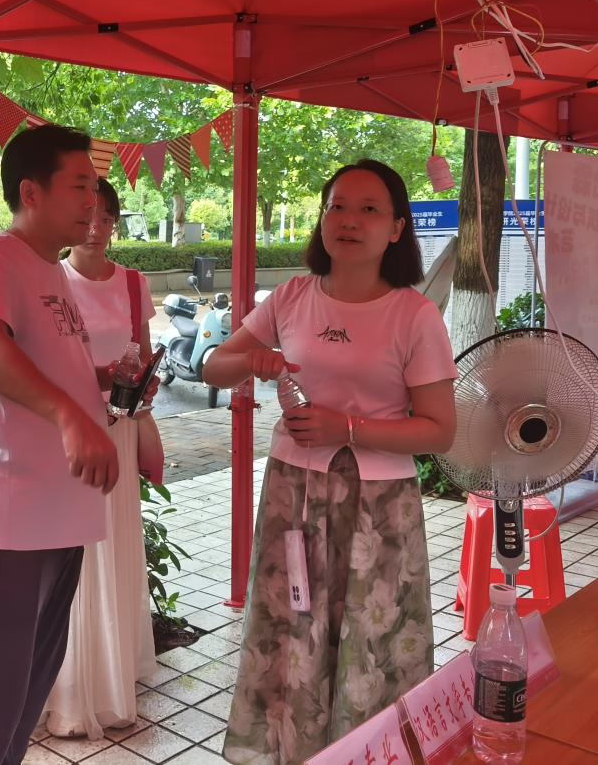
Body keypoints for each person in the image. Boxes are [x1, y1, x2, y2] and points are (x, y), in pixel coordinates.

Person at [205, 159, 457, 764]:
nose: (348, 220)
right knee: (290, 630)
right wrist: (251, 361)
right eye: (337, 206)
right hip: (293, 494)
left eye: (369, 209)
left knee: (374, 639)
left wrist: (344, 429)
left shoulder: (414, 315)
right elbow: (213, 366)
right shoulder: (291, 297)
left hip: (379, 509)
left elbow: (440, 431)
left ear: (396, 229)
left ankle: (369, 754)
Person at [0, 125, 120, 764]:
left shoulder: (51, 269)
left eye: (95, 188)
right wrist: (71, 416)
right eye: (79, 186)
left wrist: (103, 380)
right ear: (31, 192)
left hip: (63, 509)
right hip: (11, 513)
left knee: (31, 681)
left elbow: (46, 364)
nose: (92, 202)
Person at [43, 178, 159, 738]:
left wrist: (142, 387)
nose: (95, 227)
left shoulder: (134, 284)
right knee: (77, 552)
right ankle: (69, 687)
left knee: (114, 544)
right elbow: (42, 365)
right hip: (68, 432)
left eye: (106, 217)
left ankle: (115, 674)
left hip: (120, 427)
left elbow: (143, 353)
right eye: (86, 214)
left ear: (115, 222)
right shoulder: (50, 279)